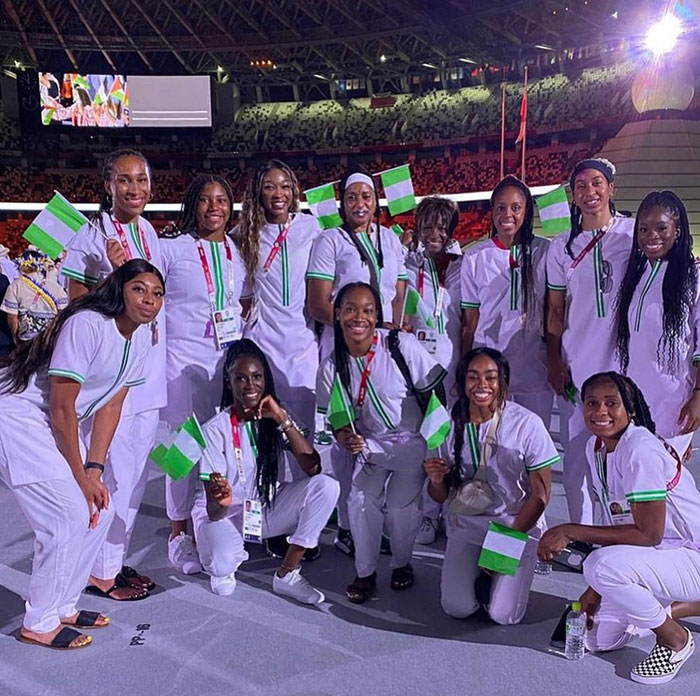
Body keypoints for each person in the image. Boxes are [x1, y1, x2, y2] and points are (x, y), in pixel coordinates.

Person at [0, 259, 163, 649]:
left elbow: (111, 406)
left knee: (100, 507)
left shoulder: (141, 337)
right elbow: (60, 407)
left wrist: (94, 469)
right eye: (139, 289)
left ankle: (63, 607)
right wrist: (78, 475)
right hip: (17, 416)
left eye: (157, 293)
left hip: (49, 421)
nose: (149, 299)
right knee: (67, 512)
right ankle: (39, 622)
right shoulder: (88, 324)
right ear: (119, 290)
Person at [539, 372, 700, 685]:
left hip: (691, 555)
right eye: (592, 403)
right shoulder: (597, 448)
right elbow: (621, 525)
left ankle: (674, 640)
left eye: (611, 403)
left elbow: (647, 534)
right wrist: (593, 594)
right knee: (594, 639)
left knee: (600, 565)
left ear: (630, 408)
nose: (600, 411)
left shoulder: (640, 450)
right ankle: (683, 606)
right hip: (659, 558)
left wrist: (571, 530)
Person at [61, 148, 165, 599]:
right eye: (124, 180)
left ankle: (112, 564)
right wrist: (114, 276)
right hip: (112, 369)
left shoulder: (148, 231)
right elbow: (76, 304)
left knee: (136, 474)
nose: (134, 189)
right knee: (110, 473)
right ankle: (98, 571)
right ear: (108, 185)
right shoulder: (89, 235)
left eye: (141, 180)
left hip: (148, 369)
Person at [316, 282, 446, 603]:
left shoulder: (400, 345)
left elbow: (436, 395)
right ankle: (365, 573)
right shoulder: (332, 366)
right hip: (370, 448)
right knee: (359, 500)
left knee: (402, 507)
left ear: (377, 317)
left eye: (368, 310)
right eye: (349, 308)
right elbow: (336, 417)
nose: (358, 317)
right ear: (337, 314)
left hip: (413, 446)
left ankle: (402, 563)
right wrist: (344, 436)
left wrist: (436, 450)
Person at [307, 167, 408, 555]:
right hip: (342, 349)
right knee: (345, 436)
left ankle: (373, 516)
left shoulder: (389, 239)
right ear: (342, 203)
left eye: (366, 196)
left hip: (382, 351)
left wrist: (390, 331)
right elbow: (318, 302)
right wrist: (356, 327)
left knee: (381, 431)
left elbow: (398, 293)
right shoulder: (330, 240)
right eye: (351, 198)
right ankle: (348, 525)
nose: (359, 204)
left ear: (375, 200)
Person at [192, 339, 339, 602]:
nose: (250, 385)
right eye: (241, 378)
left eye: (256, 377)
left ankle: (287, 573)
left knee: (327, 486)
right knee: (222, 568)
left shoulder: (276, 415)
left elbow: (313, 467)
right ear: (229, 383)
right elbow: (214, 512)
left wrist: (282, 420)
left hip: (267, 508)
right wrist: (221, 501)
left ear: (265, 379)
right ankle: (219, 555)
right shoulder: (214, 429)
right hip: (227, 516)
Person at [425, 348, 556, 625]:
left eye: (490, 377)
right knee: (457, 608)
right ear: (461, 383)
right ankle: (478, 571)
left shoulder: (527, 425)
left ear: (503, 383)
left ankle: (508, 569)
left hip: (515, 524)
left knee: (503, 615)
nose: (481, 385)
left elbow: (541, 497)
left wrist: (497, 557)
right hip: (468, 522)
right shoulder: (445, 422)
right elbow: (438, 495)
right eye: (472, 377)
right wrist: (436, 480)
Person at [160, 174, 251, 575]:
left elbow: (243, 303)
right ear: (192, 205)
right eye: (205, 200)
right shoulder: (173, 250)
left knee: (222, 445)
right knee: (183, 447)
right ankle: (178, 532)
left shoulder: (237, 252)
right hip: (182, 365)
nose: (214, 207)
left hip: (225, 365)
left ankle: (212, 522)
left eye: (222, 200)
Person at [545, 157, 634, 524]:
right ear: (572, 194)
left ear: (611, 187)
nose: (590, 191)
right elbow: (554, 310)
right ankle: (583, 531)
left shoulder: (632, 236)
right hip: (576, 367)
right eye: (581, 185)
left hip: (624, 368)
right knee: (578, 455)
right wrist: (554, 361)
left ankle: (620, 527)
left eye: (597, 183)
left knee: (623, 452)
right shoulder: (561, 246)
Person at [237, 160, 322, 462]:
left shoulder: (311, 226)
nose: (278, 193)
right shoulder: (244, 233)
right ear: (258, 191)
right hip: (263, 343)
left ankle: (307, 498)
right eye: (269, 186)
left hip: (303, 344)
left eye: (285, 186)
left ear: (294, 190)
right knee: (265, 441)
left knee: (302, 434)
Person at [615, 191, 700, 456]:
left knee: (663, 484)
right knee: (635, 481)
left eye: (661, 227)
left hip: (673, 402)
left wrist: (698, 396)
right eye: (644, 229)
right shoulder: (635, 276)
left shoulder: (693, 276)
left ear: (677, 231)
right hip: (632, 401)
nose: (652, 235)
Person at [462, 175, 552, 425]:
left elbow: (555, 310)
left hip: (534, 371)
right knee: (493, 448)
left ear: (526, 211)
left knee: (536, 446)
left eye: (516, 207)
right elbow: (470, 322)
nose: (507, 214)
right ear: (492, 212)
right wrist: (464, 369)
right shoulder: (475, 256)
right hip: (489, 374)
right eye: (501, 207)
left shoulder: (544, 251)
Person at [404, 196, 463, 545]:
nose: (434, 234)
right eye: (427, 226)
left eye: (441, 227)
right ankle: (427, 513)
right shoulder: (408, 266)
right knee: (430, 439)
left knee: (455, 442)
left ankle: (452, 511)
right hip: (423, 369)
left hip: (455, 367)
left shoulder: (463, 265)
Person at [1, 249, 68, 344]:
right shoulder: (54, 284)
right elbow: (63, 311)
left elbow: (12, 317)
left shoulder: (16, 285)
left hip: (27, 338)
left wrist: (15, 339)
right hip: (49, 337)